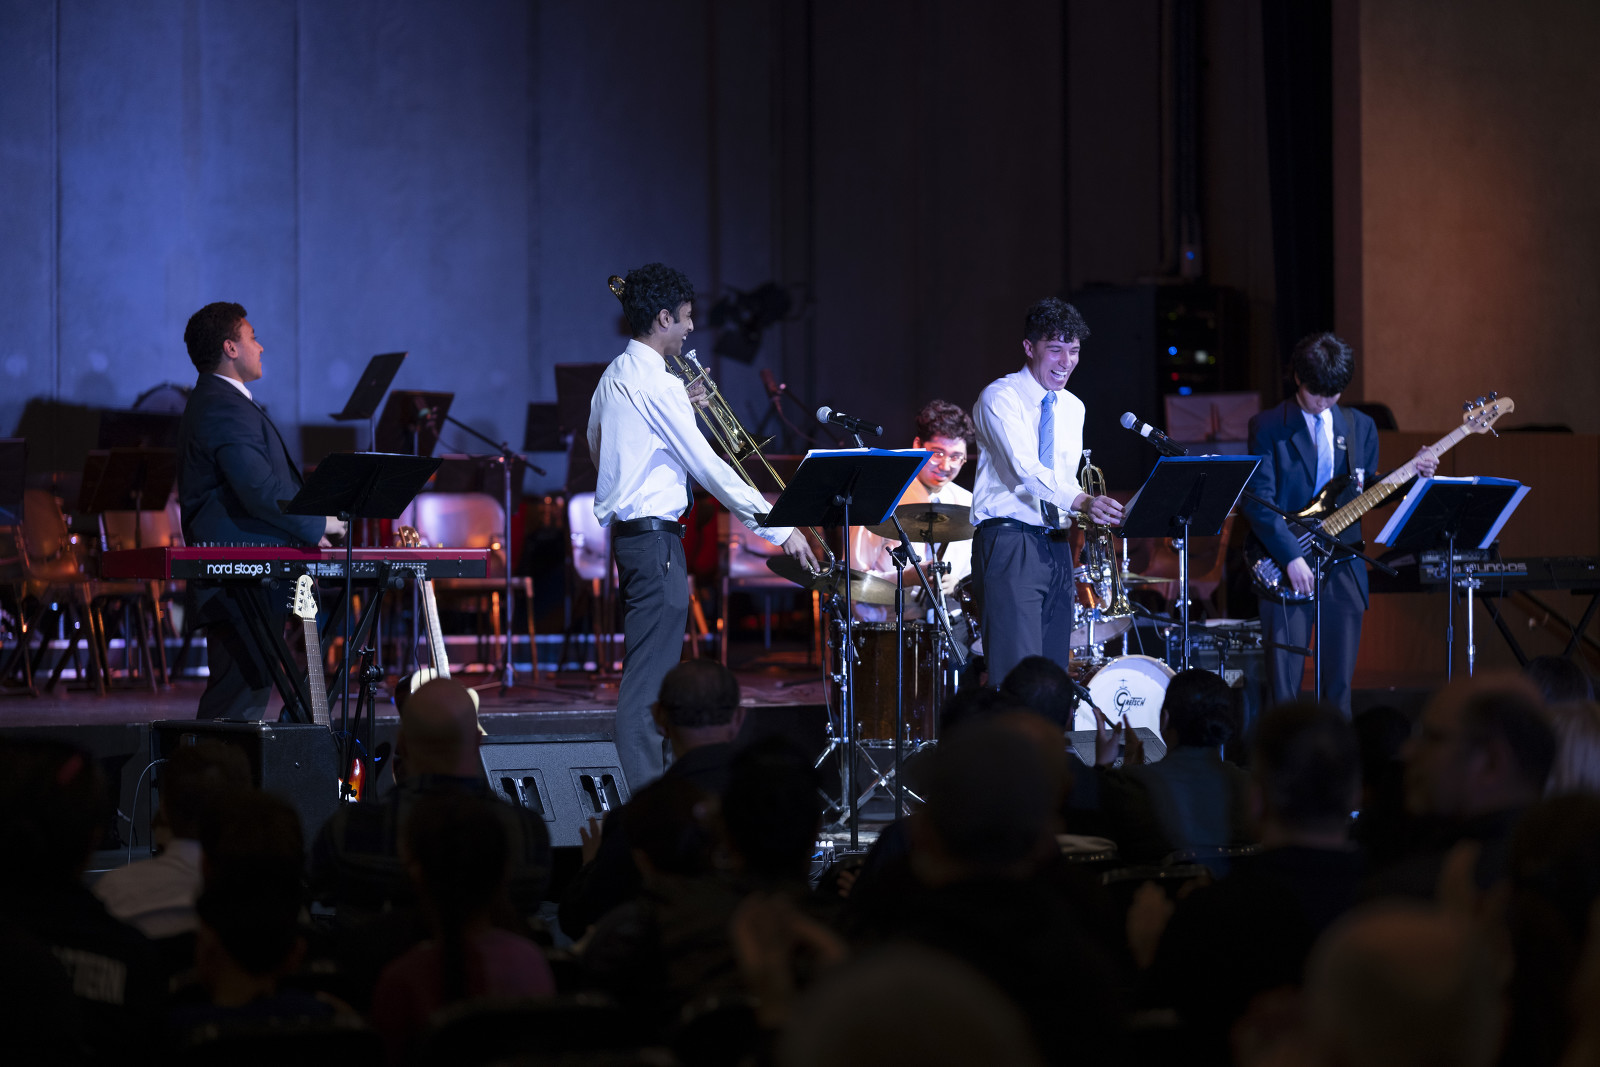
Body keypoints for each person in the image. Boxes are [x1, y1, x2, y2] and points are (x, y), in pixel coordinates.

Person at [589, 264, 818, 789]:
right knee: (648, 686)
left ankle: (653, 791)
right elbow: (711, 469)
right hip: (655, 542)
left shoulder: (615, 376)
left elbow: (601, 449)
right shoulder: (657, 383)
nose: (691, 328)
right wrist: (780, 527)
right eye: (687, 317)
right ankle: (647, 799)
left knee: (650, 676)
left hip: (637, 540)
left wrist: (678, 414)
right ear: (663, 318)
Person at [1240, 331, 1437, 715]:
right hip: (1284, 560)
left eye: (1333, 394)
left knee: (1340, 689)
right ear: (1297, 377)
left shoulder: (1359, 425)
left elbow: (1363, 494)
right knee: (1285, 690)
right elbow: (1259, 501)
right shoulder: (1268, 426)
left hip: (1344, 563)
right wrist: (1291, 557)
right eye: (1316, 393)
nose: (1324, 402)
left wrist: (1412, 474)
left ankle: (1338, 752)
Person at [177, 302, 346, 720]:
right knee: (236, 702)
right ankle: (210, 764)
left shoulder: (224, 401)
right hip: (238, 576)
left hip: (252, 570)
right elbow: (256, 488)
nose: (261, 346)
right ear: (230, 347)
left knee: (247, 695)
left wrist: (309, 529)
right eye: (252, 337)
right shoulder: (221, 404)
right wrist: (317, 522)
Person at [970, 298, 1123, 684]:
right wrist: (1083, 500)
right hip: (1010, 541)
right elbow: (1026, 469)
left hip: (1057, 544)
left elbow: (1065, 481)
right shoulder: (1000, 397)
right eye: (1055, 349)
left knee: (1054, 675)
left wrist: (1094, 511)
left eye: (1074, 351)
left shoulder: (1073, 407)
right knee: (1016, 676)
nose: (1066, 361)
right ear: (1029, 347)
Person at [310, 677, 551, 918]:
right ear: (478, 741)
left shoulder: (350, 829)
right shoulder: (527, 832)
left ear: (402, 744)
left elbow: (316, 896)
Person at [559, 659, 747, 938]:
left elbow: (581, 920)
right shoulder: (772, 797)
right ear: (739, 718)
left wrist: (591, 864)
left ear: (659, 717)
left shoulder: (640, 817)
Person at [848, 399, 977, 622]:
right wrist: (908, 578)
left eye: (956, 457)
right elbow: (852, 581)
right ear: (917, 445)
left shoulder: (968, 502)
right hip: (890, 627)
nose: (946, 466)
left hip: (952, 625)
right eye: (937, 453)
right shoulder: (880, 500)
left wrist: (958, 585)